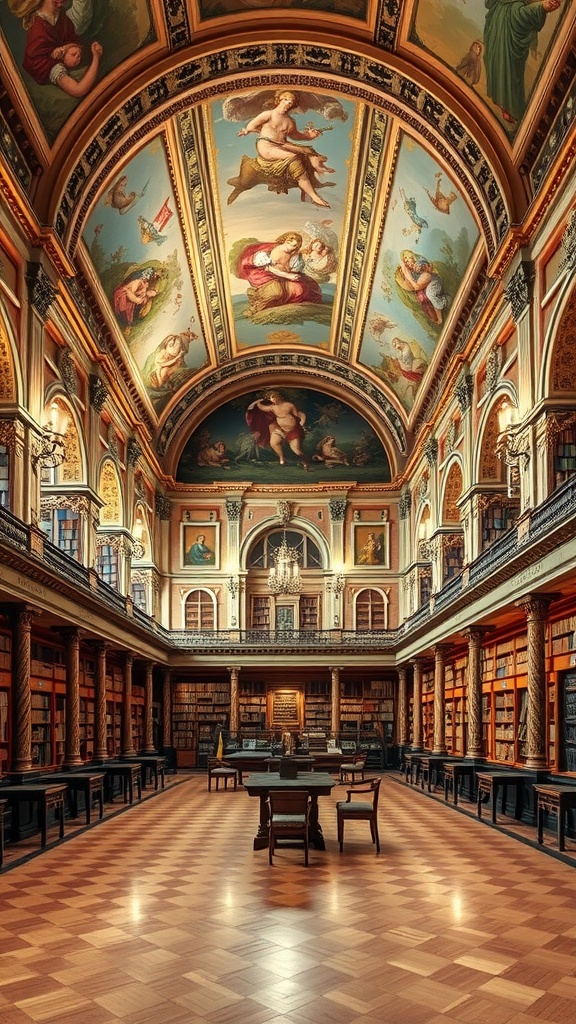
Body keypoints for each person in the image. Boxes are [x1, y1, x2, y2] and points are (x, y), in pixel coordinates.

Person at [228, 89, 333, 207]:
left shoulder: (290, 122)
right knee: (294, 158)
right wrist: (247, 131)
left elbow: (296, 136)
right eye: (286, 99)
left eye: (291, 101)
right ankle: (315, 197)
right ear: (279, 100)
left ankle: (308, 188)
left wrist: (309, 136)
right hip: (267, 145)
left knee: (308, 152)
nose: (289, 103)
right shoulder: (268, 114)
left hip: (282, 145)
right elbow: (251, 126)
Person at [483, 0, 562, 125]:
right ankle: (506, 104)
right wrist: (542, 7)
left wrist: (542, 6)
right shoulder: (510, 7)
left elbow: (523, 15)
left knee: (508, 70)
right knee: (506, 69)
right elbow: (521, 15)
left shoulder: (510, 7)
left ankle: (507, 104)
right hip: (501, 37)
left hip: (502, 39)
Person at [11, 0, 103, 97]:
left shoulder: (59, 18)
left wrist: (68, 47)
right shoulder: (40, 40)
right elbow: (78, 90)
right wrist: (96, 58)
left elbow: (73, 29)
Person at [236, 232, 322, 315]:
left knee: (304, 289)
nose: (293, 248)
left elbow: (293, 267)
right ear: (285, 241)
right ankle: (255, 308)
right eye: (292, 245)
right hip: (269, 276)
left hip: (284, 276)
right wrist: (287, 275)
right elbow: (269, 269)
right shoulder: (270, 251)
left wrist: (292, 272)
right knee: (277, 291)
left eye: (296, 246)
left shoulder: (294, 253)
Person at [246, 390, 309, 468]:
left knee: (296, 449)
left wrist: (302, 422)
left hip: (292, 430)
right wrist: (258, 401)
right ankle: (282, 458)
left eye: (272, 397)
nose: (271, 399)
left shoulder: (289, 405)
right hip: (281, 430)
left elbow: (297, 415)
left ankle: (305, 461)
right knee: (273, 443)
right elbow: (262, 407)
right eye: (270, 398)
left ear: (277, 396)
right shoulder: (272, 407)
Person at [395, 249, 448, 326]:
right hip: (426, 285)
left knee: (430, 294)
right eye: (405, 261)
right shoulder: (410, 271)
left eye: (407, 258)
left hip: (434, 281)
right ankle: (438, 316)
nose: (407, 262)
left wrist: (410, 271)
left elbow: (425, 273)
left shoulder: (419, 262)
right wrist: (406, 270)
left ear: (411, 255)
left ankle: (445, 301)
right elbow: (412, 284)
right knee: (425, 297)